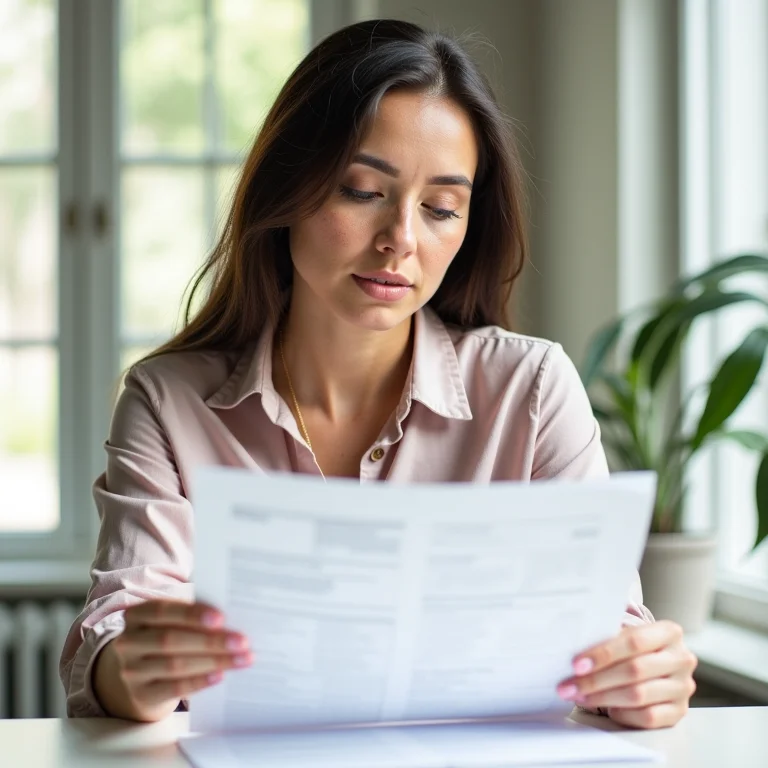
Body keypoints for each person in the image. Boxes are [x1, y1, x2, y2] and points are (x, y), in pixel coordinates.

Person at [60, 18, 697, 728]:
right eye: (364, 191)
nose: (400, 239)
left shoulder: (533, 390)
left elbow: (612, 635)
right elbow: (114, 636)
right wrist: (133, 671)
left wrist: (642, 678)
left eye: (441, 207)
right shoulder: (169, 402)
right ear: (289, 189)